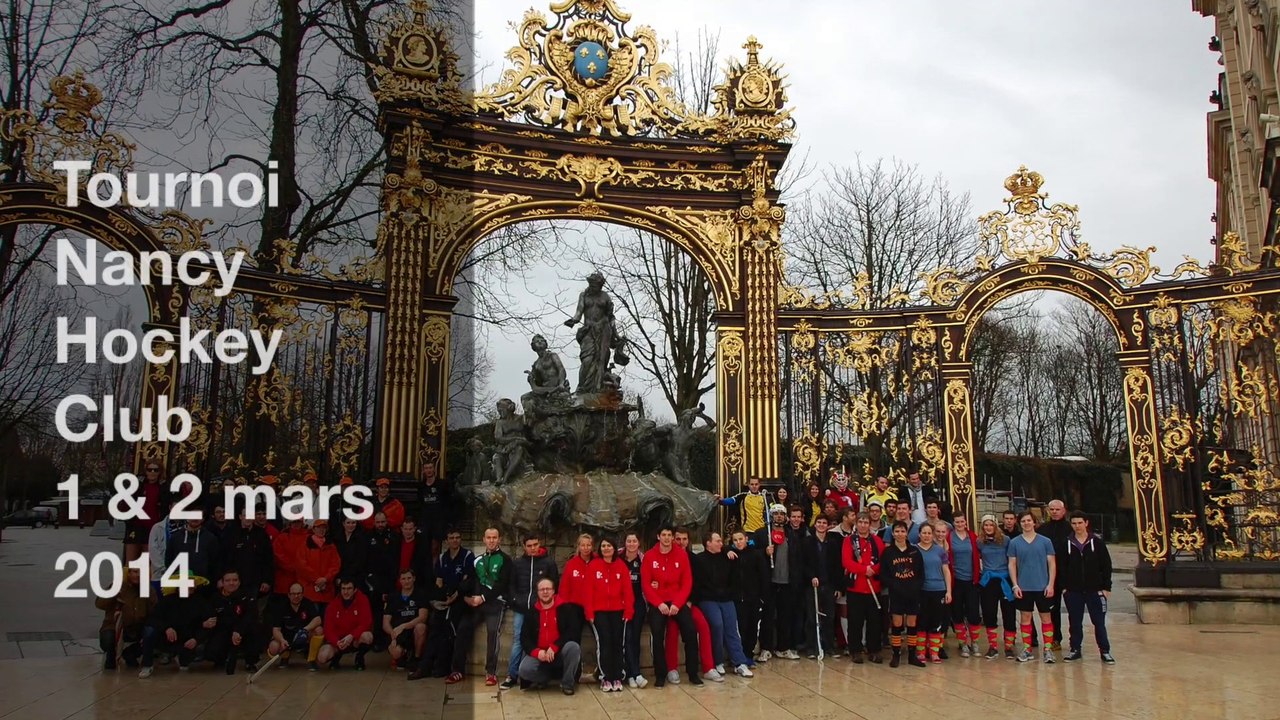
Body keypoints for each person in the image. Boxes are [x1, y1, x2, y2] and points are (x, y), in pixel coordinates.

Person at [642, 526, 702, 687]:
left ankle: (693, 673)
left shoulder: (681, 555)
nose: (667, 538)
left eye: (669, 535)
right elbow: (646, 585)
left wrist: (677, 603)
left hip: (677, 602)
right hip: (658, 603)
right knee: (657, 635)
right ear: (658, 536)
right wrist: (659, 604)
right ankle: (660, 674)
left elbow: (687, 582)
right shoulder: (649, 556)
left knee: (690, 632)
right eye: (664, 535)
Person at [692, 531, 755, 679]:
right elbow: (699, 583)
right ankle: (717, 661)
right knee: (717, 624)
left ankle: (739, 662)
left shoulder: (727, 557)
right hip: (708, 599)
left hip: (726, 598)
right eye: (718, 541)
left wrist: (727, 592)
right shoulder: (699, 560)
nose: (721, 543)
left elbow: (733, 579)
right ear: (708, 543)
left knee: (732, 628)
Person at [502, 533, 559, 689]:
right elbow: (511, 585)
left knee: (538, 640)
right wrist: (515, 600)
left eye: (535, 545)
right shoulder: (517, 563)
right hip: (521, 608)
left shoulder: (548, 563)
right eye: (529, 546)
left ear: (539, 544)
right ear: (524, 547)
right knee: (518, 640)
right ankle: (512, 674)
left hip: (540, 608)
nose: (533, 548)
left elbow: (555, 584)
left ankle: (534, 675)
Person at [418, 528, 475, 682]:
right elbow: (439, 581)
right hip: (446, 598)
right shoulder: (443, 558)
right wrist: (443, 598)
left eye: (457, 537)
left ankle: (446, 667)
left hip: (461, 601)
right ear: (447, 540)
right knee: (435, 628)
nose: (455, 540)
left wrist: (454, 597)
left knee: (451, 631)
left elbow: (466, 581)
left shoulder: (467, 556)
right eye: (451, 537)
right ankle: (426, 667)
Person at [459, 527, 513, 685]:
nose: (491, 540)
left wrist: (482, 598)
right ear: (484, 540)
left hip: (496, 603)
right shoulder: (477, 560)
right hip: (477, 603)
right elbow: (471, 582)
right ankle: (457, 669)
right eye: (488, 537)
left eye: (494, 537)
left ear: (499, 539)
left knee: (492, 632)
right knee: (463, 627)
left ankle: (491, 672)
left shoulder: (505, 559)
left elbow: (501, 585)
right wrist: (467, 598)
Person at [1061, 511, 1115, 664]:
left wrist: (1106, 587)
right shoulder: (1067, 543)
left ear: (1086, 523)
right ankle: (1075, 649)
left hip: (1094, 589)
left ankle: (1105, 651)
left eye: (1079, 523)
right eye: (1074, 523)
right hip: (1074, 590)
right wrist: (1064, 588)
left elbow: (1106, 565)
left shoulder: (1096, 543)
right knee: (1075, 622)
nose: (1077, 526)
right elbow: (1062, 567)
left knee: (1098, 622)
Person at [665, 529, 717, 681]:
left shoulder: (694, 560)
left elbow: (697, 584)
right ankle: (672, 669)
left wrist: (689, 601)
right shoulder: (667, 557)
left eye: (684, 539)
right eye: (678, 539)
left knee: (703, 626)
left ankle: (708, 667)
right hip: (671, 605)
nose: (681, 542)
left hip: (688, 604)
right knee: (672, 630)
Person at [1008, 511, 1058, 663]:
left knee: (1046, 617)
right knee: (1025, 618)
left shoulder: (1045, 541)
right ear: (1020, 523)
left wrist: (1051, 584)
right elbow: (1012, 564)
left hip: (1042, 586)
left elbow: (1052, 564)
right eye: (1023, 521)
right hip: (1024, 587)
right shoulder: (1015, 542)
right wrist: (1015, 585)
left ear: (1034, 522)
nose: (1026, 523)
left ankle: (1048, 649)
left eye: (1029, 520)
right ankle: (1027, 649)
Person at [518, 578, 582, 695]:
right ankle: (544, 679)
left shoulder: (566, 608)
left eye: (548, 589)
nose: (545, 592)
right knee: (524, 670)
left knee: (573, 647)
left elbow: (572, 631)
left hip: (559, 650)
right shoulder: (531, 612)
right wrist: (536, 652)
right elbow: (524, 638)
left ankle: (567, 683)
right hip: (540, 653)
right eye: (542, 589)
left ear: (553, 591)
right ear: (537, 592)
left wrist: (555, 646)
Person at [586, 536, 634, 691]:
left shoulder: (621, 567)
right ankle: (605, 677)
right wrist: (589, 612)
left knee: (618, 643)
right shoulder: (593, 566)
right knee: (604, 643)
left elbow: (627, 591)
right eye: (603, 546)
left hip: (618, 611)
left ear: (614, 549)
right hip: (599, 611)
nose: (606, 548)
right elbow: (588, 592)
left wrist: (628, 610)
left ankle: (617, 676)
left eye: (609, 546)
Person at [842, 512, 885, 664]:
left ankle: (874, 650)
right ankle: (855, 650)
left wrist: (873, 570)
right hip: (856, 588)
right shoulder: (849, 541)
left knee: (875, 621)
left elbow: (882, 560)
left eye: (866, 522)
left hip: (874, 586)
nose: (863, 525)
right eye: (860, 522)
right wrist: (863, 570)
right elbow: (846, 561)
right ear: (856, 524)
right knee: (855, 621)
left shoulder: (877, 541)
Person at [881, 521, 925, 668]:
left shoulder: (914, 551)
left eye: (902, 531)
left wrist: (915, 587)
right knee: (897, 624)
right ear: (893, 534)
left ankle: (912, 655)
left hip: (913, 593)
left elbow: (920, 573)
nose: (900, 534)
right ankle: (896, 654)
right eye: (897, 531)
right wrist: (894, 584)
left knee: (912, 624)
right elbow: (884, 574)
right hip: (896, 593)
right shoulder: (888, 552)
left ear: (907, 533)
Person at [96, 567, 154, 670]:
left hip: (136, 628)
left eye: (141, 572)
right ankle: (111, 655)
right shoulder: (118, 586)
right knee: (108, 639)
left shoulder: (147, 589)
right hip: (115, 627)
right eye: (135, 572)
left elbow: (154, 609)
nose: (138, 575)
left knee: (151, 633)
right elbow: (99, 604)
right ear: (128, 573)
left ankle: (129, 653)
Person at [205, 568, 260, 675]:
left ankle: (250, 662)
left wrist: (238, 631)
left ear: (239, 582)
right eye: (228, 580)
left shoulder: (247, 596)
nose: (231, 583)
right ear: (222, 582)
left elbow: (250, 616)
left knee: (255, 631)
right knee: (211, 651)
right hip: (223, 630)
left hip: (242, 631)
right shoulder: (215, 598)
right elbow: (211, 617)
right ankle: (221, 659)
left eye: (234, 580)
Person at [977, 514, 1016, 659]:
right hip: (988, 581)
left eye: (991, 525)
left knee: (1009, 614)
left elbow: (1012, 559)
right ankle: (993, 646)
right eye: (985, 525)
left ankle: (1009, 646)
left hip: (1004, 579)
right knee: (989, 613)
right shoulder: (980, 541)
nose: (988, 527)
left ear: (996, 526)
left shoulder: (1006, 540)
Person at [800, 515, 839, 659]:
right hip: (812, 585)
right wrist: (811, 576)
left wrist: (838, 587)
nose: (822, 525)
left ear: (828, 526)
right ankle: (811, 647)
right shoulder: (807, 542)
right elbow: (803, 564)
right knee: (811, 617)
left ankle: (828, 646)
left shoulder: (833, 543)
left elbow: (837, 566)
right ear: (815, 525)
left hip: (828, 585)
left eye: (824, 523)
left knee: (829, 617)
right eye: (819, 522)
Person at [318, 578, 375, 670]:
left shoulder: (363, 600)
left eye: (349, 589)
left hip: (354, 638)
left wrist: (352, 636)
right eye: (343, 589)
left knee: (367, 637)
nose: (346, 592)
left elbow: (366, 622)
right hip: (338, 640)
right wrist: (337, 642)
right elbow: (327, 629)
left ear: (355, 590)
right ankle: (336, 658)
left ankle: (359, 658)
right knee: (322, 657)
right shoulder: (332, 605)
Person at [559, 532, 595, 678]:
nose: (586, 548)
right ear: (578, 546)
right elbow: (564, 588)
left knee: (601, 638)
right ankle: (574, 673)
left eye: (588, 545)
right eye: (583, 545)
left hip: (594, 606)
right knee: (573, 639)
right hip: (575, 607)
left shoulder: (597, 562)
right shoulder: (572, 564)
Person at [730, 530, 768, 666]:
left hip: (753, 598)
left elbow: (763, 576)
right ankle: (737, 657)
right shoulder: (731, 556)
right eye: (735, 540)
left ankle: (748, 655)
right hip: (737, 599)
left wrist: (762, 597)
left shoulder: (756, 555)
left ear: (746, 539)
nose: (738, 542)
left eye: (740, 539)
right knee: (740, 628)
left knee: (752, 628)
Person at [915, 524, 952, 664]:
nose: (926, 536)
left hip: (938, 589)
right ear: (919, 534)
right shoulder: (914, 550)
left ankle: (934, 652)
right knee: (921, 622)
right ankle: (921, 652)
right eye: (924, 533)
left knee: (936, 622)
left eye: (929, 533)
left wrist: (948, 591)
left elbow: (946, 570)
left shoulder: (940, 550)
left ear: (933, 535)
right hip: (921, 590)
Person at [266, 583, 324, 670]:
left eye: (299, 593)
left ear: (302, 594)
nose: (296, 596)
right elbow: (276, 630)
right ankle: (285, 657)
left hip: (303, 636)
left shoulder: (308, 603)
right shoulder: (281, 606)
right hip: (286, 638)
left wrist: (305, 629)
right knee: (273, 647)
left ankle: (311, 660)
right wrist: (282, 640)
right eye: (293, 594)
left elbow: (318, 619)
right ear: (289, 595)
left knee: (319, 630)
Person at [1038, 499, 1070, 652]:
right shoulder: (1042, 530)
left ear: (1064, 511)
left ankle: (1075, 641)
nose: (1055, 512)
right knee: (1052, 608)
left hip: (1069, 575)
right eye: (1052, 509)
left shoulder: (1071, 529)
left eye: (1058, 509)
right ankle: (1055, 638)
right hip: (1049, 576)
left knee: (1073, 610)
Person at [947, 515, 981, 657]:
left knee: (973, 613)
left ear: (966, 522)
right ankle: (963, 642)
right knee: (957, 613)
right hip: (956, 581)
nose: (960, 524)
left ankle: (974, 642)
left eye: (962, 521)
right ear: (953, 523)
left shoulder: (973, 537)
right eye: (957, 522)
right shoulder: (949, 537)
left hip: (971, 581)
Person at [124, 461, 170, 563]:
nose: (152, 472)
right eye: (149, 469)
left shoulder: (163, 488)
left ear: (160, 472)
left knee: (147, 561)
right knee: (130, 562)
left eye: (155, 470)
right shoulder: (138, 486)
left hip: (152, 527)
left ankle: (144, 579)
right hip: (135, 526)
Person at [384, 569, 428, 670]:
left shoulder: (420, 594)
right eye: (403, 579)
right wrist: (393, 635)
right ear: (400, 581)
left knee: (421, 627)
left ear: (414, 579)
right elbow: (385, 622)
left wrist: (404, 626)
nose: (406, 581)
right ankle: (402, 656)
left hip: (413, 631)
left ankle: (416, 658)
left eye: (409, 578)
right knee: (395, 651)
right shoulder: (393, 597)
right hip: (398, 633)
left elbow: (423, 617)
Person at [620, 532, 648, 688]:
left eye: (634, 541)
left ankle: (633, 673)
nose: (631, 544)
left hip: (638, 602)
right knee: (627, 637)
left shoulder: (643, 560)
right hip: (622, 603)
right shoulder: (618, 558)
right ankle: (633, 673)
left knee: (635, 637)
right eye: (628, 541)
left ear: (638, 543)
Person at [298, 519, 341, 608]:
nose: (322, 530)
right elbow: (302, 565)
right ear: (313, 529)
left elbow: (336, 564)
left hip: (327, 589)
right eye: (319, 528)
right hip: (310, 589)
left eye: (324, 528)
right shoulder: (304, 545)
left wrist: (325, 579)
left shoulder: (331, 546)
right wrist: (317, 579)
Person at [418, 464, 452, 557]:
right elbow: (420, 503)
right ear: (423, 470)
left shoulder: (442, 484)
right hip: (425, 521)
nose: (428, 470)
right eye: (426, 468)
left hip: (438, 521)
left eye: (430, 468)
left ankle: (435, 570)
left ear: (434, 469)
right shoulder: (421, 486)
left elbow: (448, 502)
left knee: (435, 548)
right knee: (425, 549)